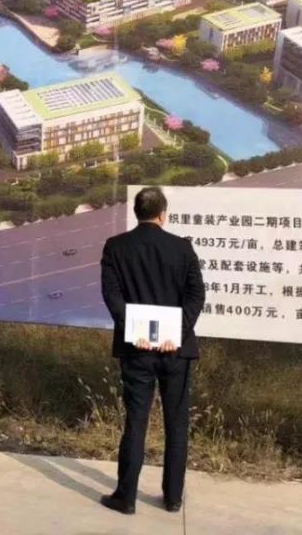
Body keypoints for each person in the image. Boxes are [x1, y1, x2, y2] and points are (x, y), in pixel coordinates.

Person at [98, 186, 205, 516]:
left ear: (136, 213)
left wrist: (136, 331)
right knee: (177, 424)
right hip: (176, 351)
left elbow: (112, 296)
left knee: (136, 421)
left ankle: (126, 497)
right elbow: (196, 296)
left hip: (137, 349)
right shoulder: (182, 248)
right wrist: (177, 333)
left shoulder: (116, 247)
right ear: (163, 215)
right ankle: (172, 497)